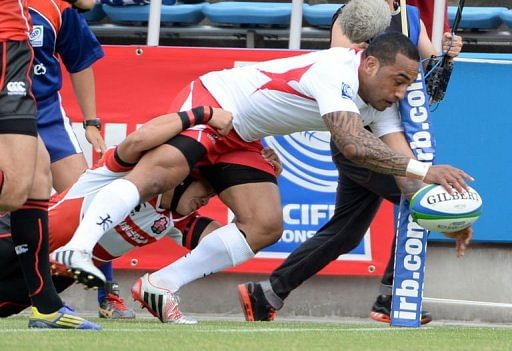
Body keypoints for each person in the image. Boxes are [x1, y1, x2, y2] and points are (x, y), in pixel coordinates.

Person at [52, 22, 473, 329]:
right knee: (160, 175)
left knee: (265, 225)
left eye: (408, 85)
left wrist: (441, 214)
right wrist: (425, 168)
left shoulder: (379, 105)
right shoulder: (335, 69)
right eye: (398, 81)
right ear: (369, 64)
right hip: (216, 101)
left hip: (244, 136)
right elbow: (351, 144)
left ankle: (160, 285)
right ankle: (78, 249)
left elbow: (404, 169)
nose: (401, 93)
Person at [238, 0, 467, 325]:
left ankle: (267, 293)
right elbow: (342, 74)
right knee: (419, 200)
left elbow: (430, 90)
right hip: (362, 139)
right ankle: (391, 296)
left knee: (346, 232)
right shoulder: (355, 13)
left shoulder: (411, 18)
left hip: (394, 139)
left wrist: (447, 58)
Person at [0, 106, 234, 324]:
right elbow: (140, 138)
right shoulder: (125, 172)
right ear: (186, 175)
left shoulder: (174, 221)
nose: (207, 199)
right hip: (18, 239)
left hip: (51, 279)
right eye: (207, 190)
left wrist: (258, 177)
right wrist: (203, 113)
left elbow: (224, 243)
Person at [26, 0, 130, 319]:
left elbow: (80, 60)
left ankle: (106, 292)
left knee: (90, 200)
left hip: (45, 114)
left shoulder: (58, 8)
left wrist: (91, 122)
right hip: (6, 111)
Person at [0, 0, 100, 329]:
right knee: (15, 188)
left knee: (36, 174)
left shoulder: (52, 10)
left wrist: (91, 120)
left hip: (13, 47)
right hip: (4, 38)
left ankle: (45, 305)